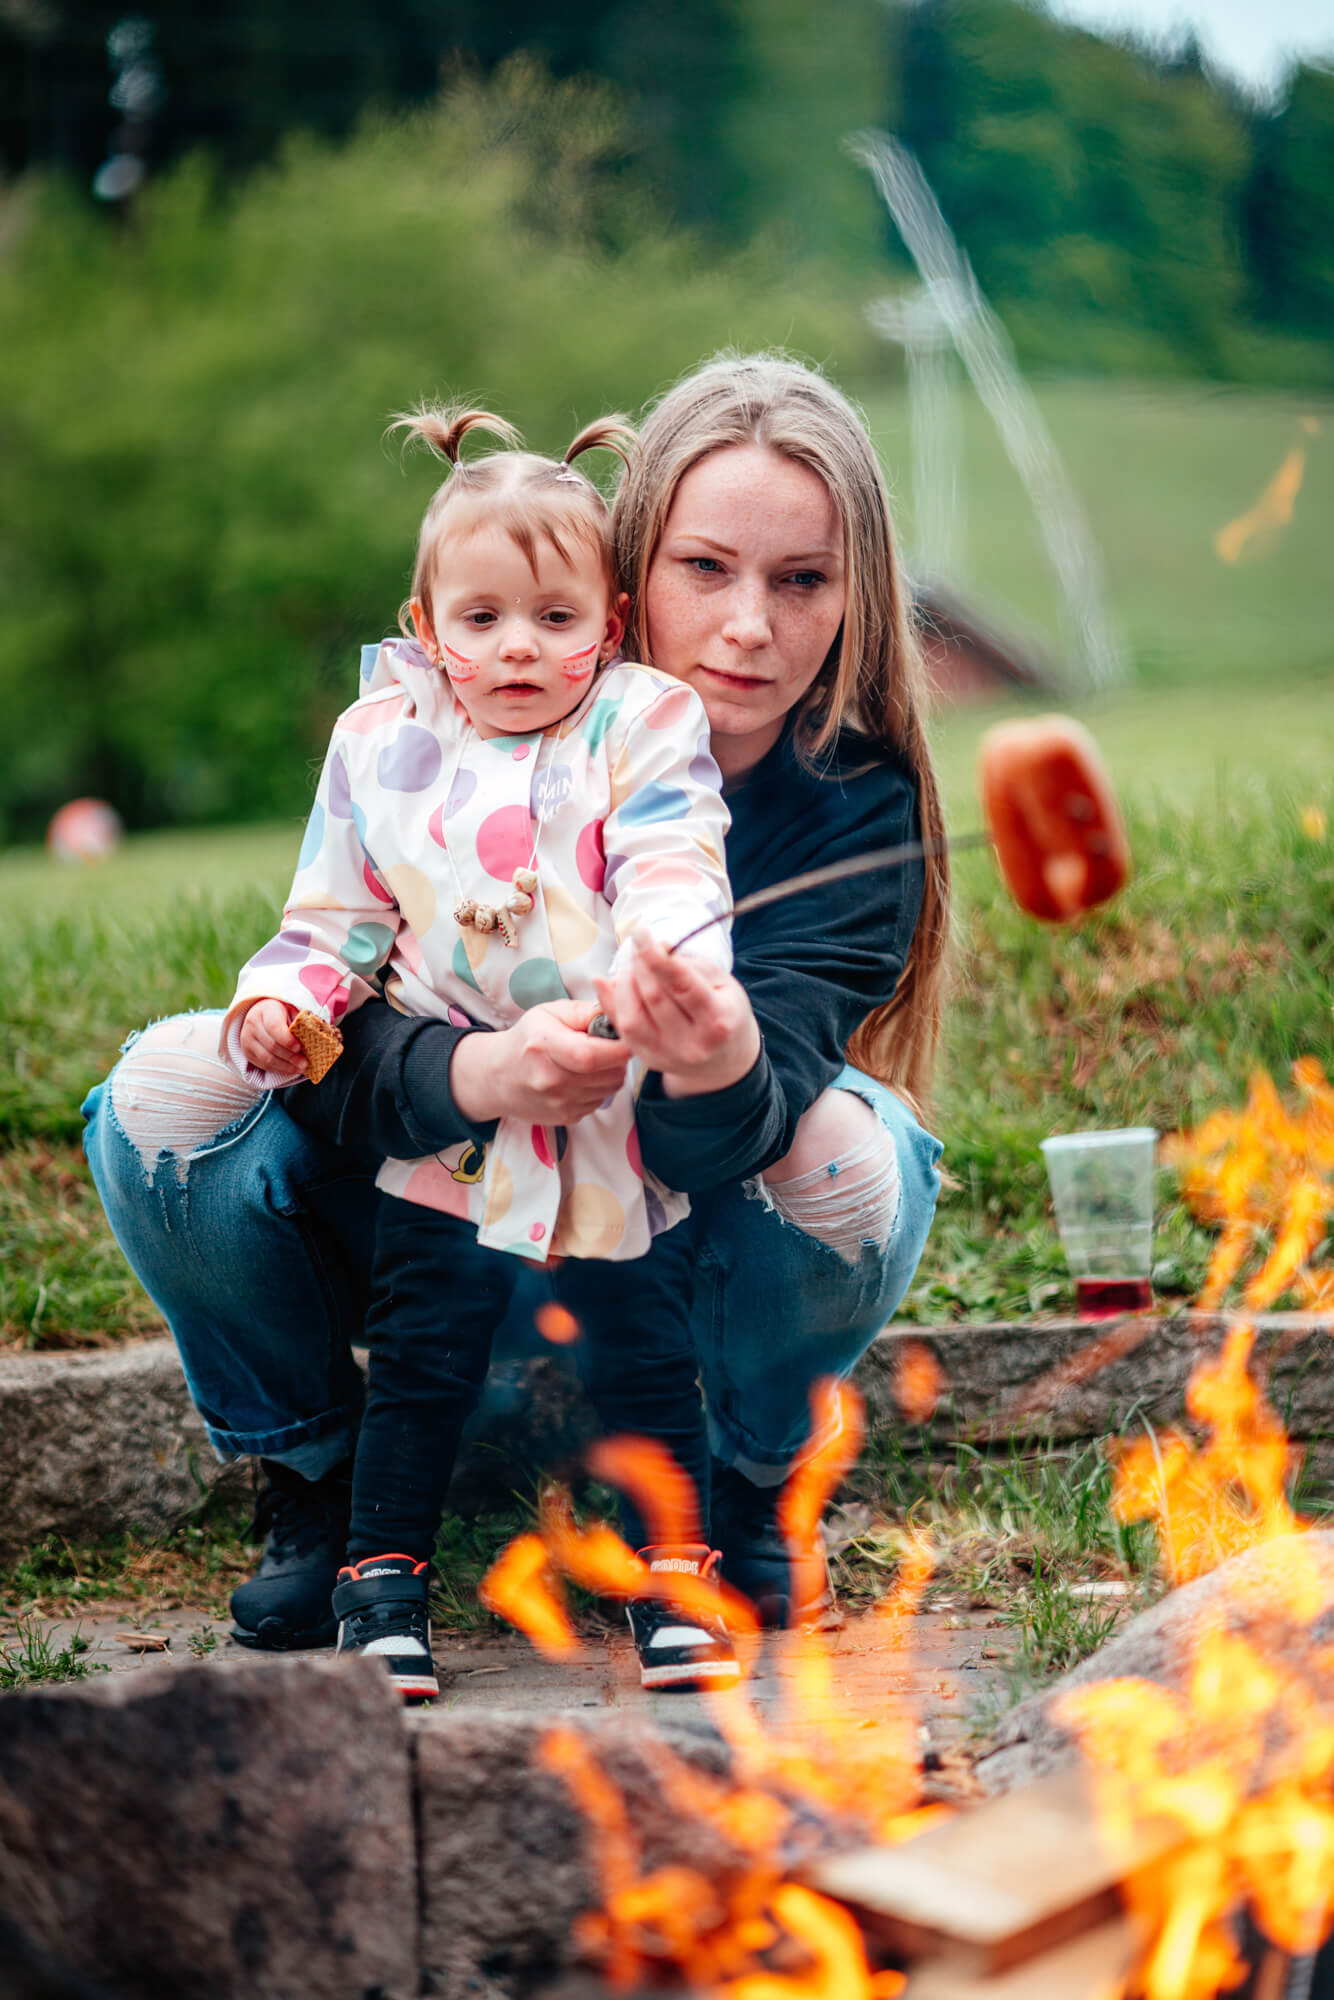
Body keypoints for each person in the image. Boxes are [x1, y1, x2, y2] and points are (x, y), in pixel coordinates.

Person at [82, 351, 948, 1659]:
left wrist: (708, 1062)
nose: (748, 625)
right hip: (434, 1233)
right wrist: (474, 1079)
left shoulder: (851, 816)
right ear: (621, 575)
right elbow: (337, 995)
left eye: (801, 580)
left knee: (839, 1142)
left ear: (855, 595)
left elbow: (744, 1125)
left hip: (664, 1251)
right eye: (703, 568)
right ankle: (318, 1478)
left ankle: (734, 1483)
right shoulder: (433, 734)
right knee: (170, 1083)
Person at [220, 402, 741, 1697]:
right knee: (421, 1350)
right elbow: (335, 915)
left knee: (642, 1343)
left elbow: (675, 856)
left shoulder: (643, 725)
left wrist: (669, 955)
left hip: (604, 1112)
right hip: (448, 1124)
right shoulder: (380, 748)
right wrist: (289, 1003)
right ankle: (379, 1572)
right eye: (483, 619)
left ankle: (672, 1572)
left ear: (609, 624)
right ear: (424, 625)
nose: (519, 647)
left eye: (557, 620)